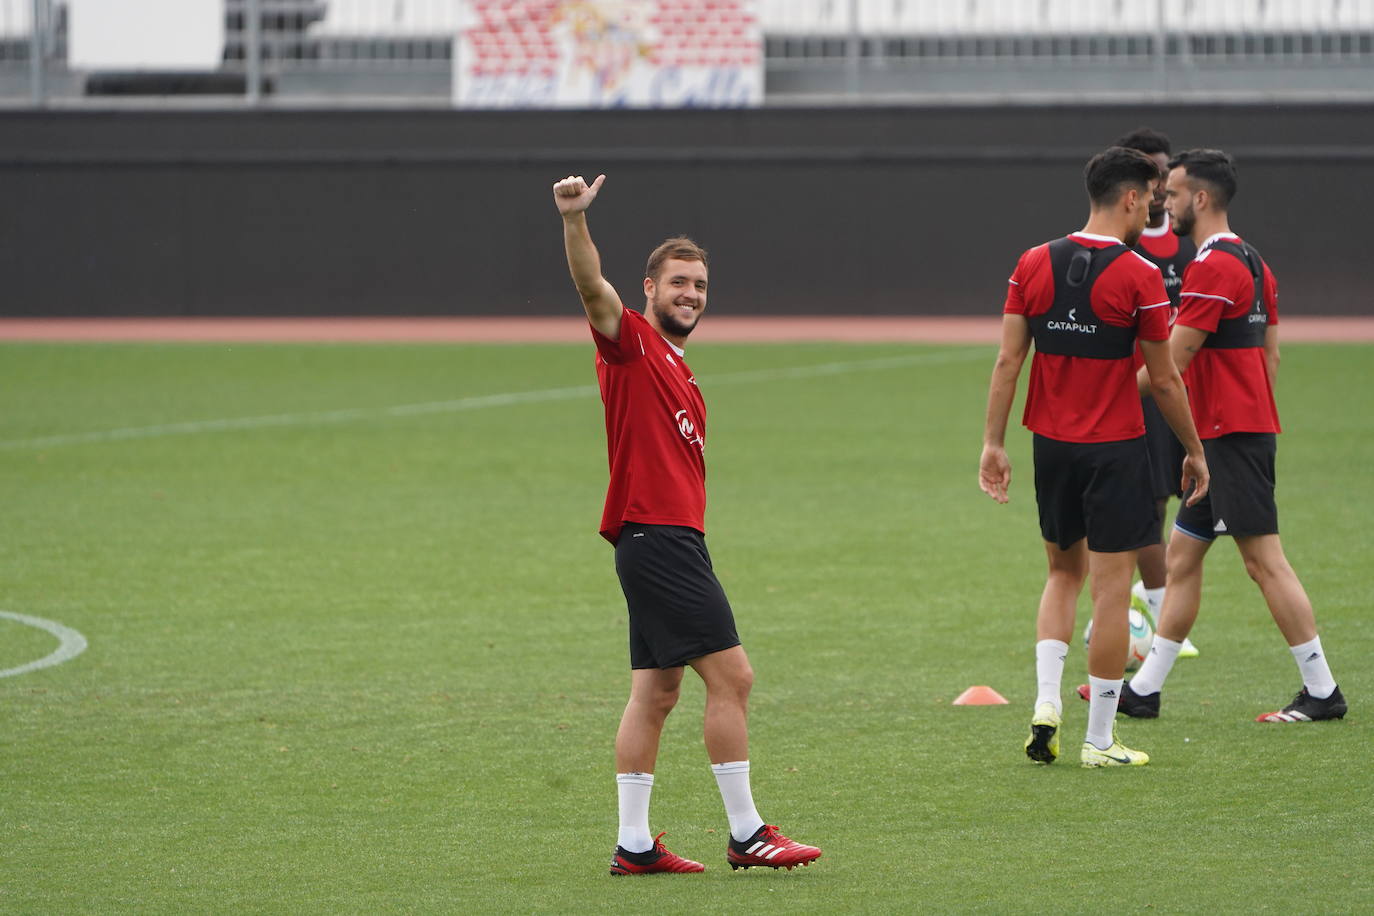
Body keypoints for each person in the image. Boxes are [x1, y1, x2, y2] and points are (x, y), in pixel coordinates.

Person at [552, 172, 822, 875]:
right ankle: (747, 832)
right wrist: (575, 219)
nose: (691, 295)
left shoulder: (682, 371)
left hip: (663, 542)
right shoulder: (631, 342)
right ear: (648, 287)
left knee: (657, 691)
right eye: (678, 283)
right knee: (733, 678)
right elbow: (590, 288)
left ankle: (634, 845)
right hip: (656, 538)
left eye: (700, 285)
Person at [979, 147, 1209, 767]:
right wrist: (1193, 450)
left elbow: (1008, 361)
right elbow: (1164, 380)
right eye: (1152, 200)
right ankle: (1099, 739)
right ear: (1131, 198)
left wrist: (994, 442)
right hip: (1115, 451)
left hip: (1049, 447)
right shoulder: (1139, 274)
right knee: (1112, 590)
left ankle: (1047, 701)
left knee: (1061, 575)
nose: (1154, 212)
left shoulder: (1033, 261)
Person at [1113, 149, 1348, 723]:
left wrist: (1105, 398)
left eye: (1171, 193)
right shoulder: (1254, 260)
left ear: (1200, 198)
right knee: (1183, 557)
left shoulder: (1214, 266)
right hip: (1232, 432)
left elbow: (1174, 361)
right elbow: (1270, 358)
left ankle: (1322, 692)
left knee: (1264, 561)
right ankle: (1145, 689)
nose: (1163, 203)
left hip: (1232, 436)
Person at [1112, 128, 1200, 656]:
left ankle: (1150, 605)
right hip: (1134, 391)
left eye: (1161, 171)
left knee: (1175, 492)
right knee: (1143, 500)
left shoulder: (1187, 243)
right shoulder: (1121, 236)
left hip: (1174, 386)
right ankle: (1159, 610)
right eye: (1146, 171)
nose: (1156, 183)